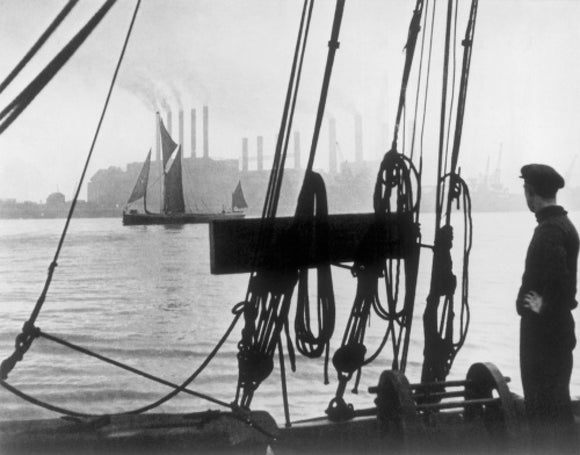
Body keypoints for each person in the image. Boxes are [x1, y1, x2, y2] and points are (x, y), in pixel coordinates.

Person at [516, 163, 578, 452]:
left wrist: (534, 306)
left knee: (541, 410)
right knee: (558, 404)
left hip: (542, 337)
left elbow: (560, 285)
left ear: (530, 192)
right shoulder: (565, 226)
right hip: (559, 332)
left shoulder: (548, 231)